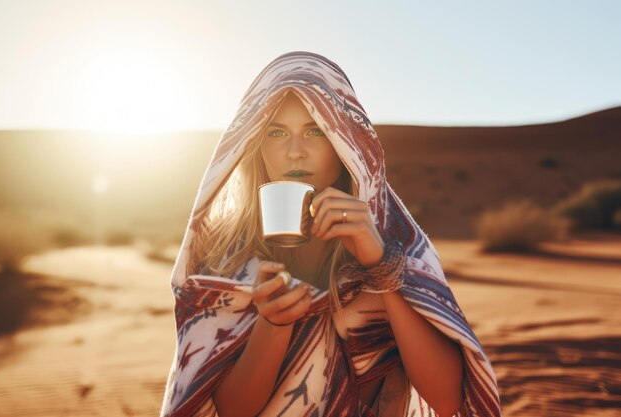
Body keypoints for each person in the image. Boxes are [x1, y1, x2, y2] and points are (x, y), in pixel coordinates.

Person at [159, 51, 502, 417]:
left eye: (316, 130)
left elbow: (447, 399)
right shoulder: (226, 255)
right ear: (255, 145)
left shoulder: (398, 241)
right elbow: (232, 410)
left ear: (344, 144)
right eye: (276, 132)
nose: (295, 152)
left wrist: (382, 265)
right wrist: (273, 324)